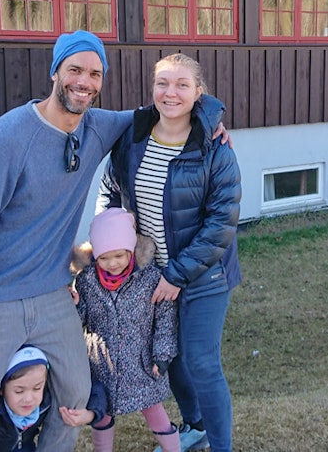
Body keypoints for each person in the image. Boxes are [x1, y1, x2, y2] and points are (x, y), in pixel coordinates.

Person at [0, 31, 229, 451]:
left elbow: (163, 109)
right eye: (75, 70)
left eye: (95, 74)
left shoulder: (98, 127)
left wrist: (212, 121)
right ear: (55, 71)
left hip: (53, 294)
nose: (84, 81)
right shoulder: (8, 137)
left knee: (76, 396)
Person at [98, 53, 242, 452]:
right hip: (150, 275)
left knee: (200, 362)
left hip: (202, 276)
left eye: (181, 84)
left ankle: (221, 446)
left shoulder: (215, 148)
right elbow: (111, 190)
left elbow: (221, 225)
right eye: (162, 83)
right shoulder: (133, 136)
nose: (170, 92)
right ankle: (194, 425)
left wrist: (176, 276)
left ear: (199, 93)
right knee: (171, 359)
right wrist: (110, 244)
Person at [68, 207, 180, 452]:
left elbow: (164, 319)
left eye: (119, 255)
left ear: (130, 250)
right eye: (104, 258)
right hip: (101, 364)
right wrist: (75, 306)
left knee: (154, 411)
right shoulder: (87, 279)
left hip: (141, 362)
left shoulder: (150, 278)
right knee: (102, 412)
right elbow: (80, 321)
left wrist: (162, 355)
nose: (112, 264)